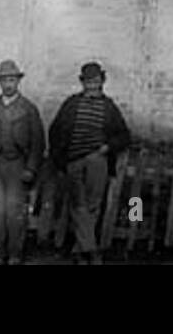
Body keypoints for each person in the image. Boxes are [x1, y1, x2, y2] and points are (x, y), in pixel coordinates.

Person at [48, 61, 131, 264]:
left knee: (93, 205)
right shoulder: (71, 104)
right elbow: (55, 131)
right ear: (82, 82)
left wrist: (107, 147)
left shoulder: (109, 107)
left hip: (97, 160)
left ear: (102, 81)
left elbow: (124, 136)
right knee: (78, 204)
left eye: (95, 81)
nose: (92, 85)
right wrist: (61, 160)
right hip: (74, 161)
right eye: (88, 81)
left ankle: (80, 250)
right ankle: (91, 250)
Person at [0, 59, 45, 264]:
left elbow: (38, 143)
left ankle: (14, 253)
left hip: (18, 164)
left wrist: (31, 168)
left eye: (12, 80)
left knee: (14, 211)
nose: (8, 84)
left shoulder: (29, 109)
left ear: (18, 82)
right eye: (4, 80)